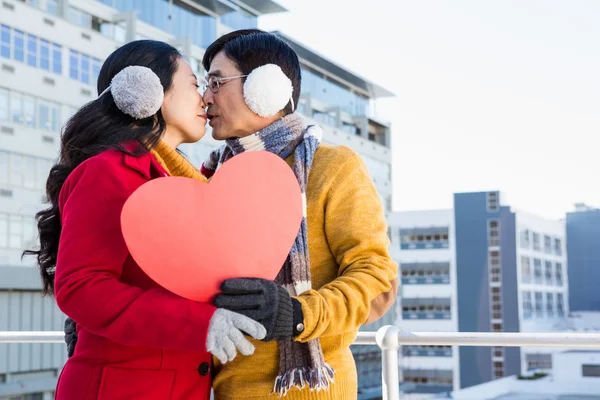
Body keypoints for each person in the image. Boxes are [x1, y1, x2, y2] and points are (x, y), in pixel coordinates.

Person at [25, 40, 265, 400]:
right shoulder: (107, 172)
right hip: (121, 389)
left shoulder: (182, 181)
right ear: (149, 90)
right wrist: (201, 323)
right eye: (195, 85)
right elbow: (82, 287)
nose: (204, 99)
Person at [200, 29, 399, 399]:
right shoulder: (211, 177)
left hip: (312, 389)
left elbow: (377, 281)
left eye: (216, 81)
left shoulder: (332, 167)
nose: (204, 97)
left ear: (266, 86)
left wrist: (297, 314)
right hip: (227, 390)